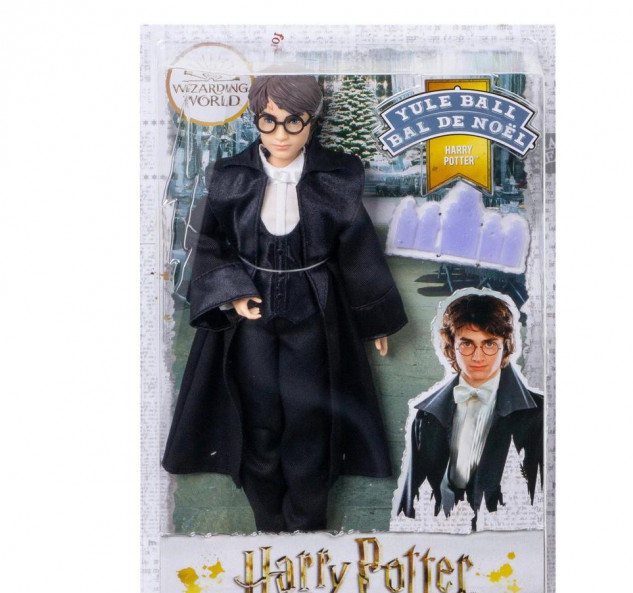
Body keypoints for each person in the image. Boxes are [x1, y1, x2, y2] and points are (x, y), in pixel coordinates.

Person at [163, 75, 407, 533]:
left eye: (294, 122)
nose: (280, 134)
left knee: (309, 418)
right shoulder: (230, 177)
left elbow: (357, 249)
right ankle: (269, 524)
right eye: (269, 121)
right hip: (250, 316)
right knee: (257, 417)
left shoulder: (337, 177)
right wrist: (232, 292)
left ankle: (307, 524)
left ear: (311, 122)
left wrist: (375, 317)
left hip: (313, 309)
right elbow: (211, 243)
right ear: (256, 120)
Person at [396, 291, 542, 531]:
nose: (478, 356)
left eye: (489, 344)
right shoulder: (426, 417)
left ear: (505, 347)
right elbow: (411, 503)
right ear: (451, 347)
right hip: (445, 538)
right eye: (467, 344)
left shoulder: (539, 416)